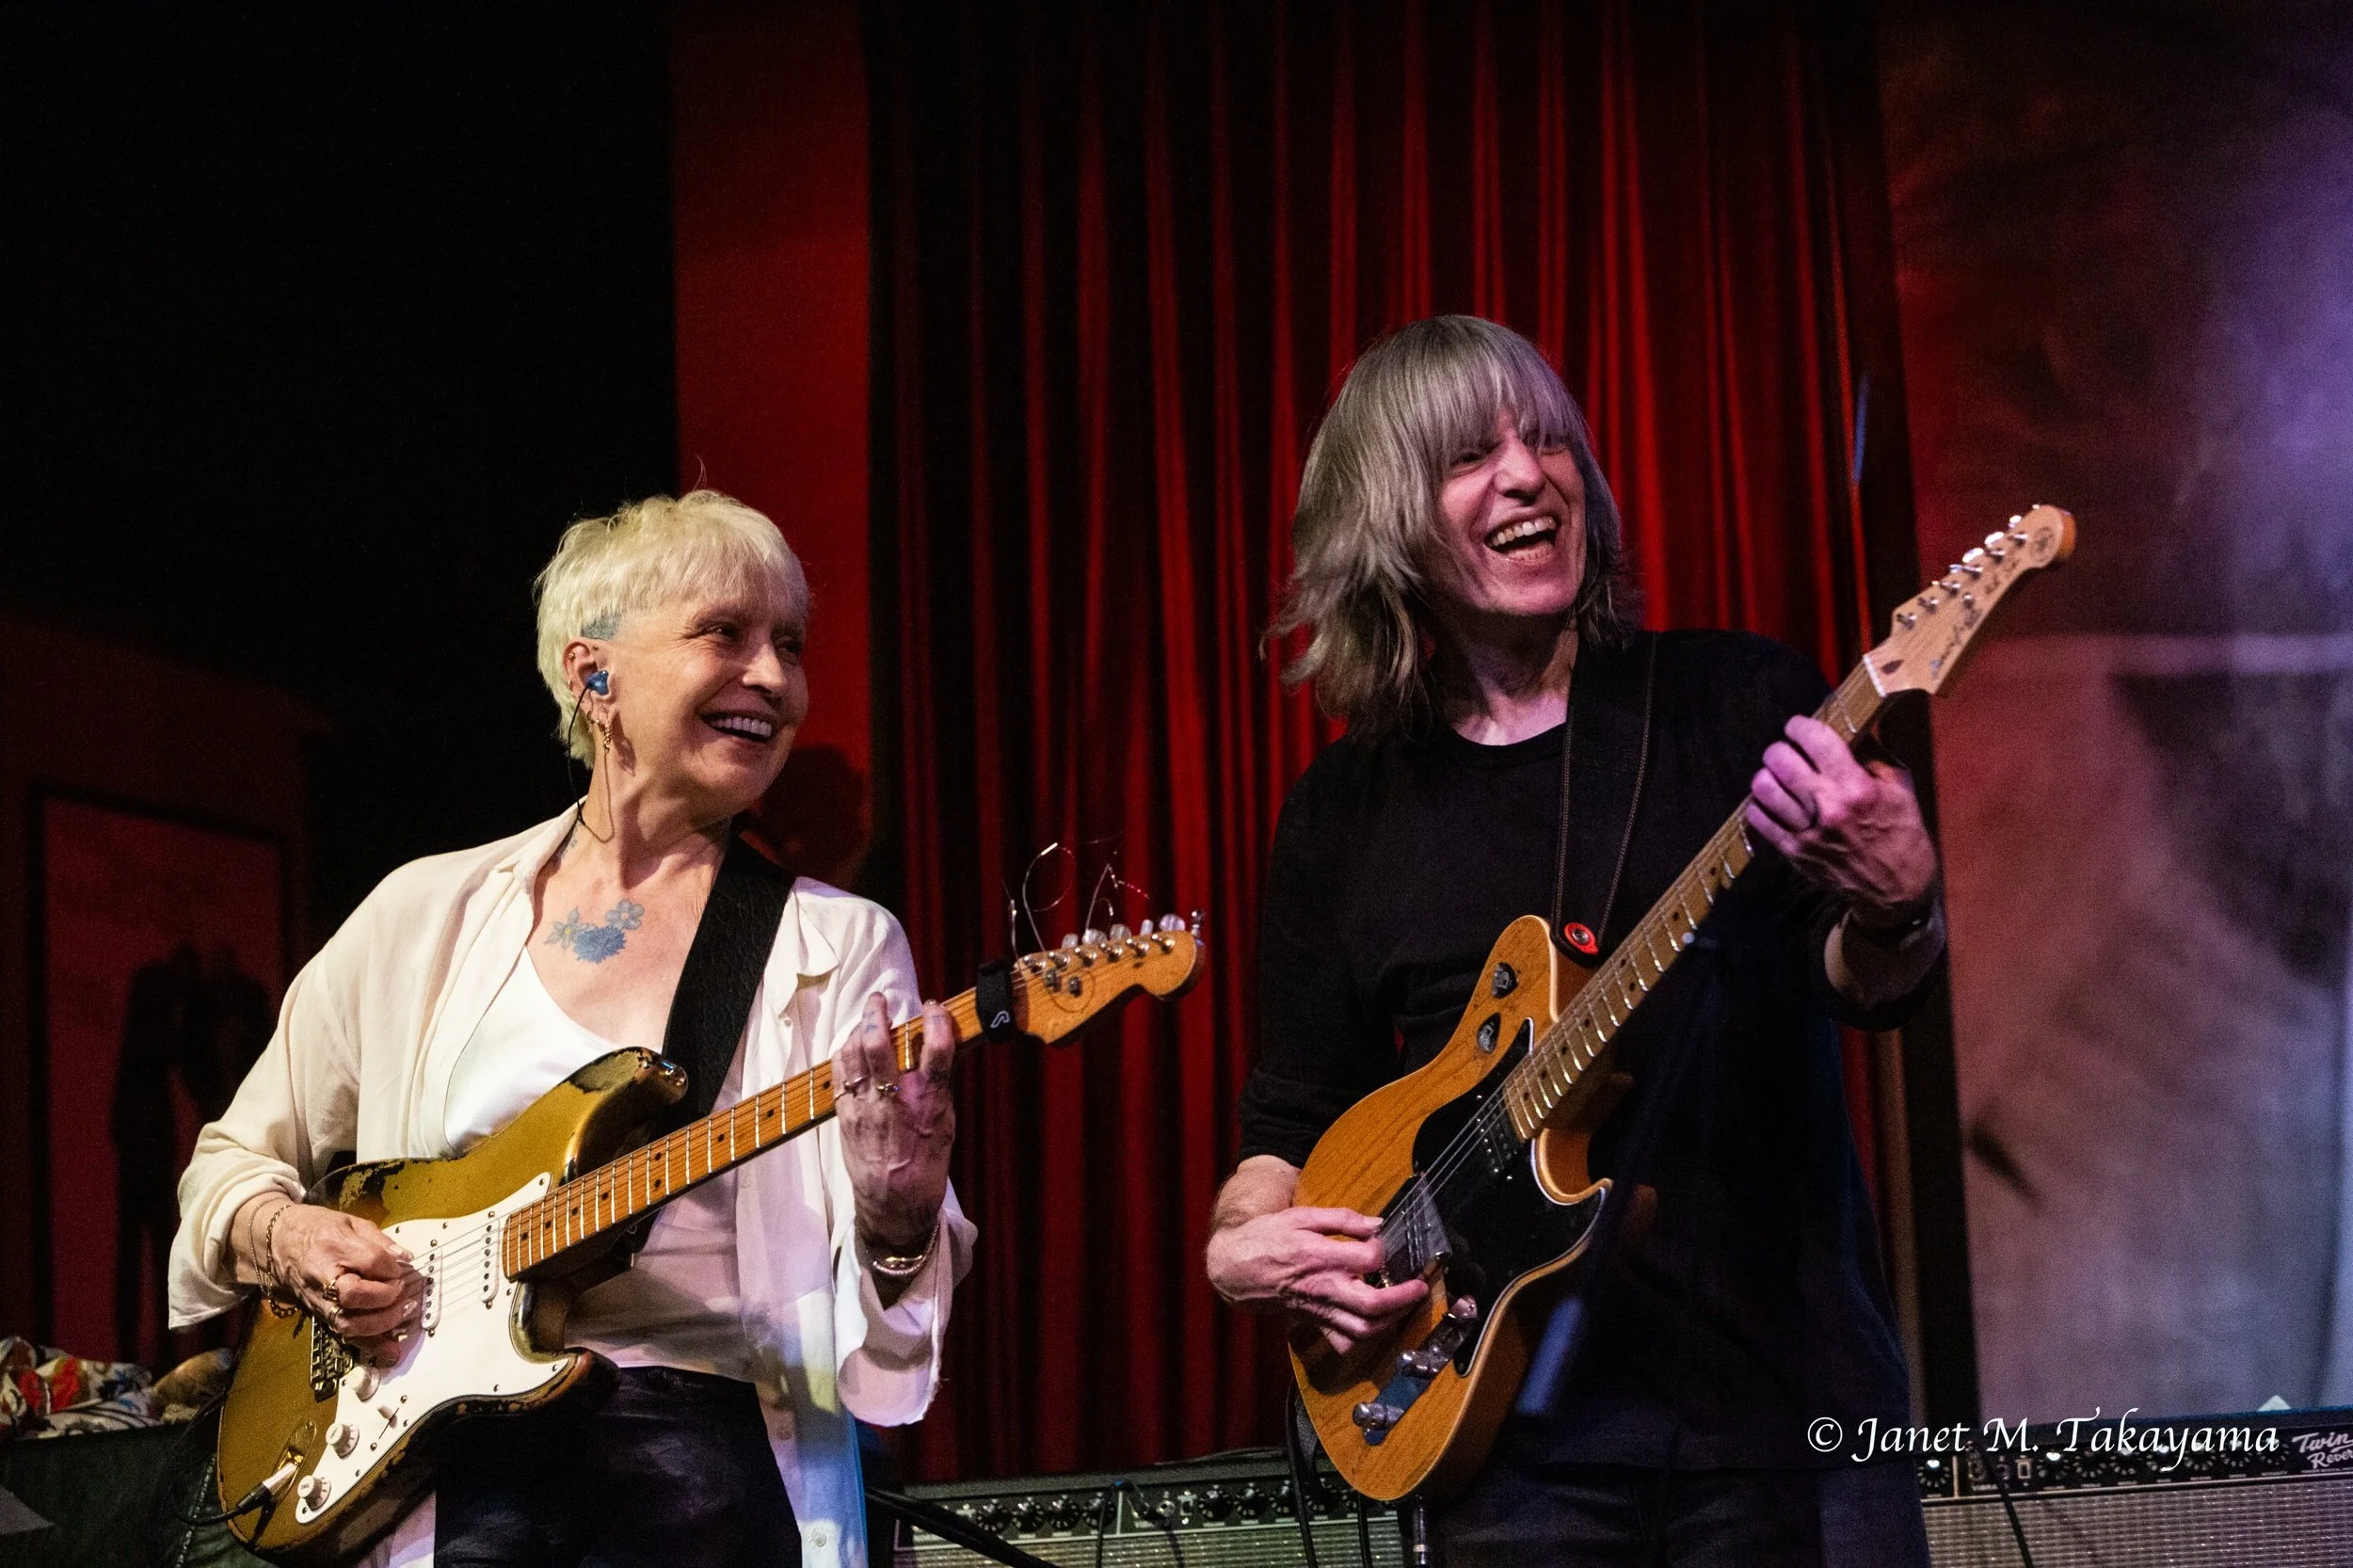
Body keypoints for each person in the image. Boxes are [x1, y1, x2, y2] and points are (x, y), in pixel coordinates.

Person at [1205, 317, 1945, 1566]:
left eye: (1547, 437)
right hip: (1507, 1447)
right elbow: (1291, 1120)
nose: (1526, 472)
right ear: (1387, 521)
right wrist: (1244, 1244)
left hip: (1785, 1410)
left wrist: (1898, 901)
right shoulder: (1343, 810)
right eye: (1469, 454)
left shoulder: (1734, 701)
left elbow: (1862, 981)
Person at [170, 491, 972, 1568]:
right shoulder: (426, 913)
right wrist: (294, 1238)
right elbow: (229, 1165)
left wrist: (897, 1218)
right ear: (594, 676)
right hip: (446, 1469)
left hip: (719, 1482)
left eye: (790, 644)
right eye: (723, 633)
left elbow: (884, 1322)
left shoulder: (835, 942)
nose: (775, 679)